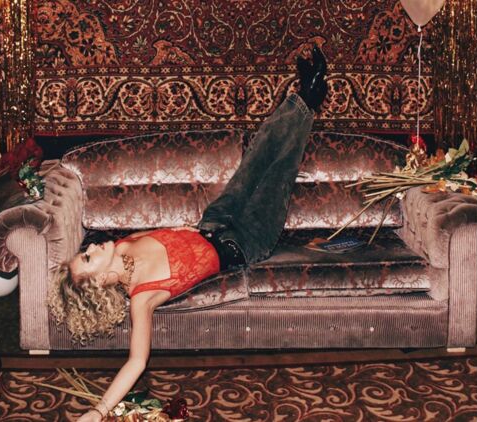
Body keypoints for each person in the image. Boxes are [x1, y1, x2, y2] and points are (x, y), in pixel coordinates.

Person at [49, 46, 329, 422]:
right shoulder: (141, 297)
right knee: (278, 172)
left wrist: (180, 230)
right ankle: (311, 98)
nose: (92, 247)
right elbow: (136, 362)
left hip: (214, 221)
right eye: (87, 258)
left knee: (257, 156)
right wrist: (98, 412)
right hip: (245, 241)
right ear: (98, 282)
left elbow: (154, 234)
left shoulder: (123, 245)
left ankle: (303, 95)